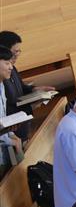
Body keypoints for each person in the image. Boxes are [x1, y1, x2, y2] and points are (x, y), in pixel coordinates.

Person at [0, 31, 55, 141]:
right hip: (10, 134)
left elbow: (21, 88)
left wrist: (35, 90)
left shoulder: (12, 69)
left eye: (19, 51)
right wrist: (31, 107)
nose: (18, 54)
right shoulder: (2, 78)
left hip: (20, 131)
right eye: (15, 51)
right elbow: (7, 110)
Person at [0, 46, 21, 179]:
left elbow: (3, 118)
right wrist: (9, 140)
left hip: (5, 148)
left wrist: (12, 134)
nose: (11, 67)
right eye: (7, 63)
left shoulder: (2, 85)